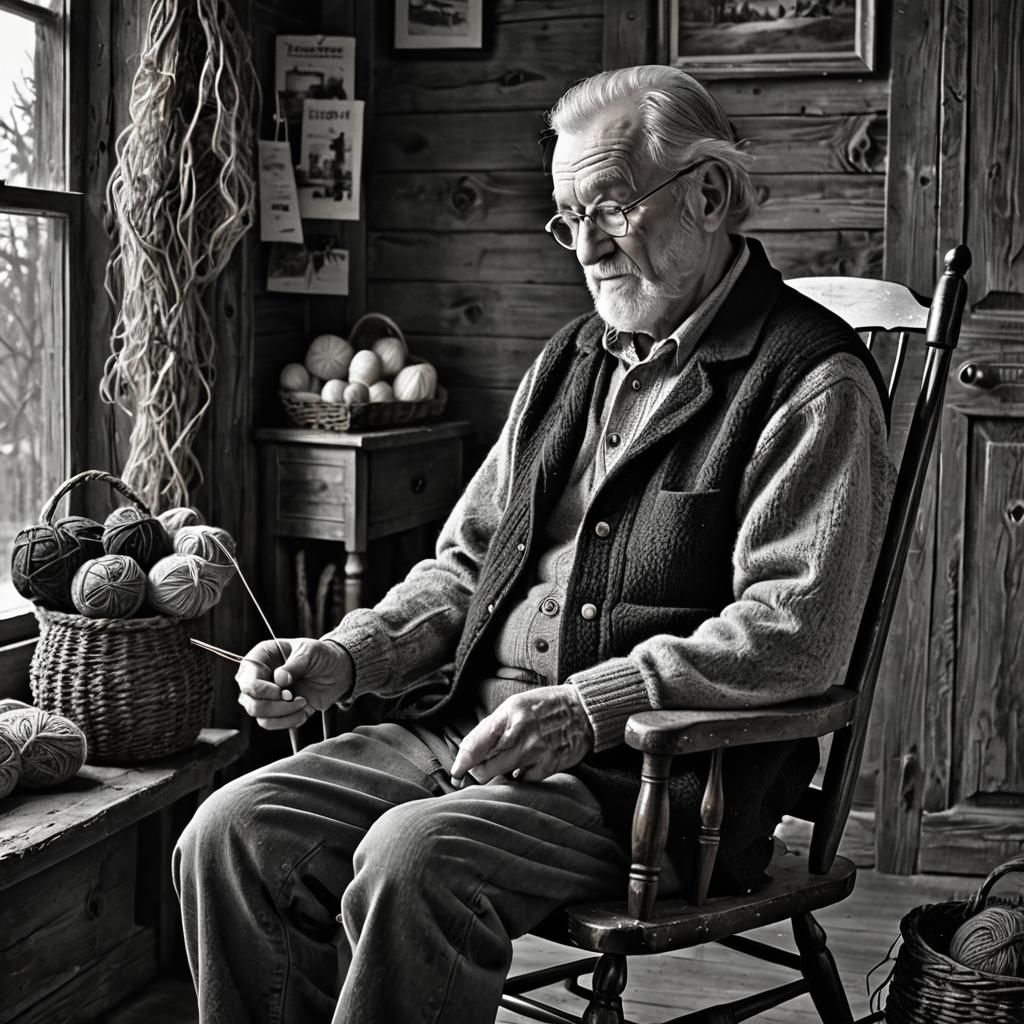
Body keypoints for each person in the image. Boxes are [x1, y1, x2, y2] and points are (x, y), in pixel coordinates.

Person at [173, 64, 895, 1024]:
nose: (586, 247)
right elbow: (465, 565)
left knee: (413, 860)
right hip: (466, 731)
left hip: (637, 781)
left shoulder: (811, 382)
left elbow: (795, 632)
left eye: (609, 207)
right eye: (567, 219)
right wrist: (349, 656)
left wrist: (585, 710)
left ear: (709, 194)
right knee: (229, 832)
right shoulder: (568, 364)